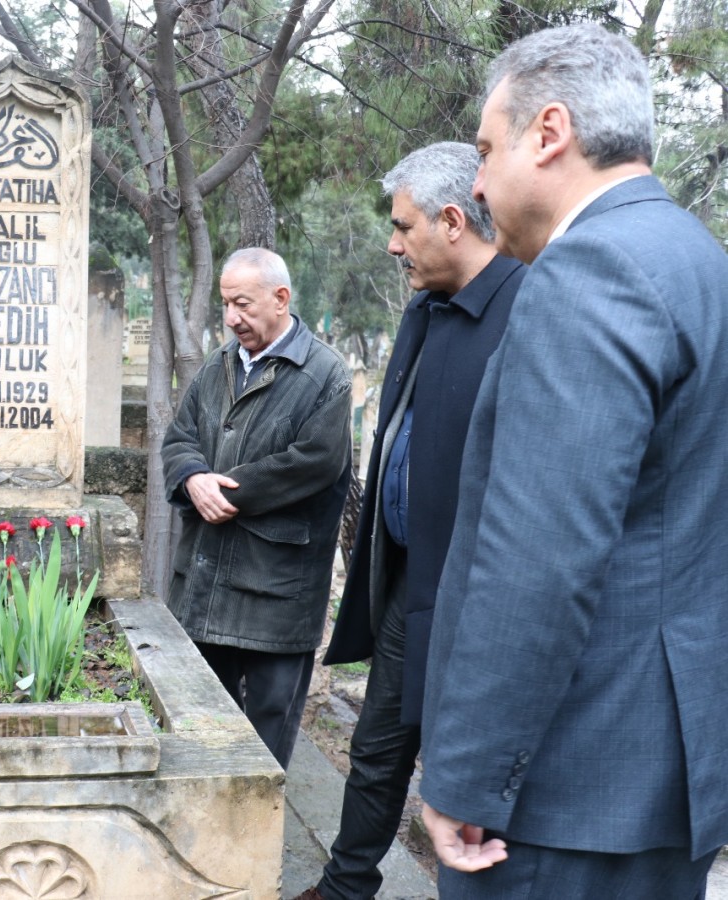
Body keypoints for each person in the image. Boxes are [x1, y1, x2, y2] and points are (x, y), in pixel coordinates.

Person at [419, 24, 728, 897]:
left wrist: (469, 773)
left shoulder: (591, 268)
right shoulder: (700, 261)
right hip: (665, 773)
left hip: (564, 792)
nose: (476, 182)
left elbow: (541, 555)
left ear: (547, 133)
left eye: (484, 149)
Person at [296, 143, 526, 900]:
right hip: (406, 585)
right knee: (376, 750)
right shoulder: (426, 308)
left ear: (452, 220)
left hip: (476, 601)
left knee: (465, 772)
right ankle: (343, 887)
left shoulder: (526, 311)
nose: (393, 244)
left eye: (403, 226)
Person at [160, 247, 351, 770]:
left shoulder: (325, 375)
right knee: (199, 736)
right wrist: (192, 477)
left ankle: (255, 850)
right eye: (225, 304)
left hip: (275, 595)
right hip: (202, 586)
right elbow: (179, 439)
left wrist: (221, 491)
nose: (230, 318)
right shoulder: (217, 367)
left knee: (264, 748)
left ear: (280, 299)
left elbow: (314, 463)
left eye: (241, 304)